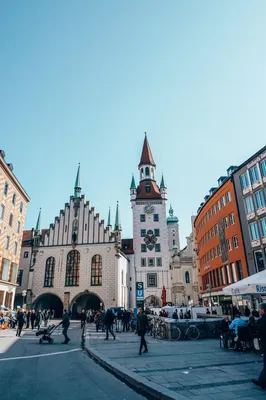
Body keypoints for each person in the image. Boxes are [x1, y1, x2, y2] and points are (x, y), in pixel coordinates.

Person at [252, 303, 266, 389]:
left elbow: (260, 332)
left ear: (263, 310)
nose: (259, 311)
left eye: (260, 309)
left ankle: (261, 382)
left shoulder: (262, 320)